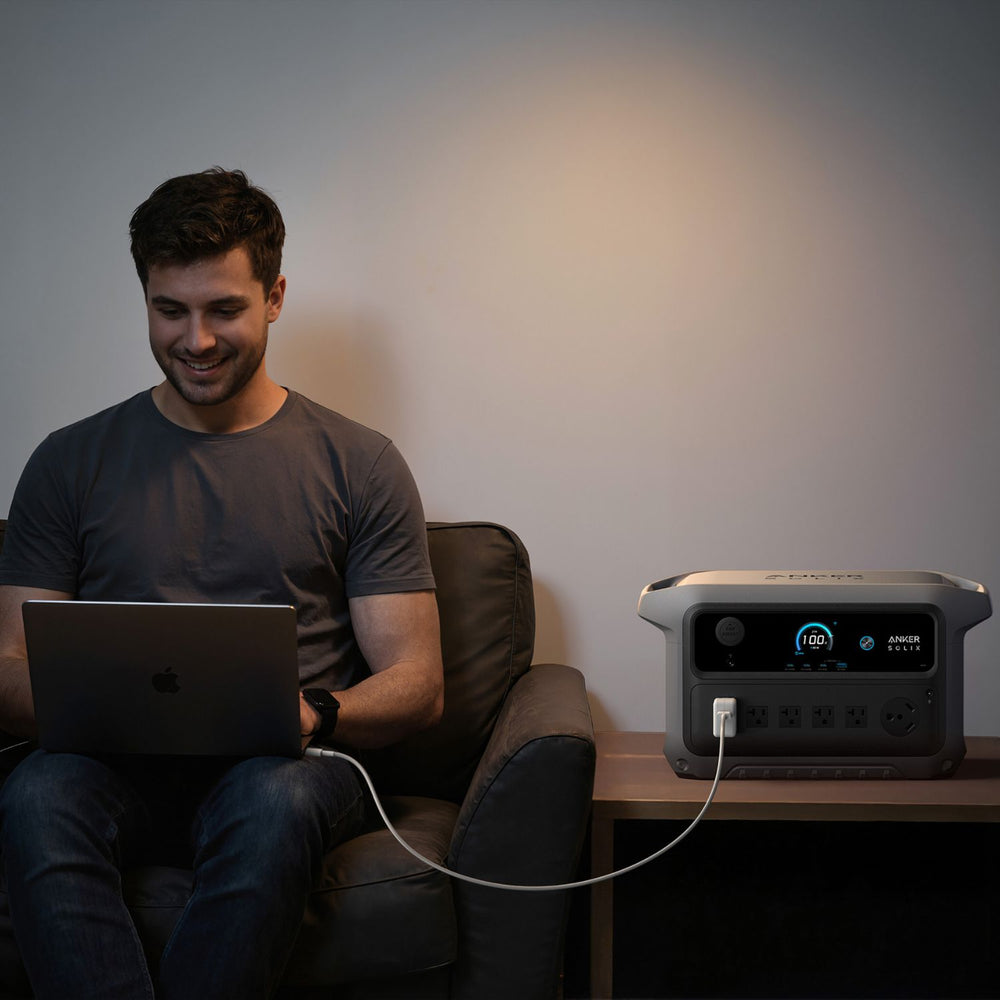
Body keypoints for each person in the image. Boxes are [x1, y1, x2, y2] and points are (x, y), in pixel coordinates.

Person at [0, 168, 444, 999]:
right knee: (35, 793)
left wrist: (315, 711)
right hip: (107, 768)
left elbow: (418, 684)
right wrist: (86, 701)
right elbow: (10, 664)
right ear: (145, 299)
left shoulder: (360, 462)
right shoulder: (67, 462)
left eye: (224, 310)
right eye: (170, 310)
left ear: (274, 296)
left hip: (285, 766)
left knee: (272, 797)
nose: (196, 340)